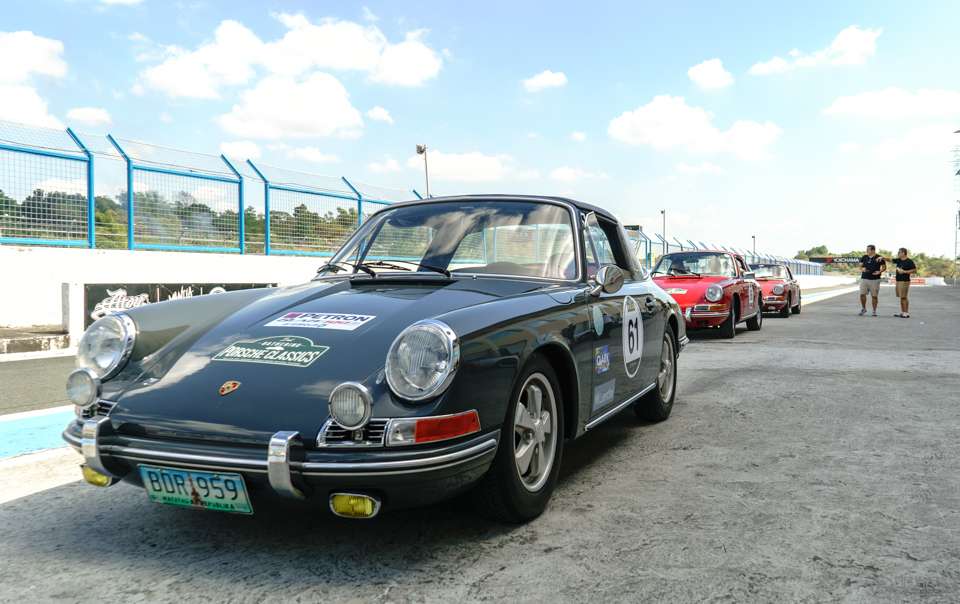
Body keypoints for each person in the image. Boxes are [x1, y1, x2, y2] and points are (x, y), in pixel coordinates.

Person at [858, 245, 886, 316]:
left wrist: (880, 271)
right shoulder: (864, 257)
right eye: (866, 249)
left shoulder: (879, 257)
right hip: (864, 278)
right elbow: (860, 266)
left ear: (873, 250)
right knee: (862, 294)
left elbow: (884, 267)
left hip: (875, 279)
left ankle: (874, 311)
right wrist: (862, 269)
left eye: (868, 249)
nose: (866, 251)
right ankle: (864, 309)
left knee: (874, 296)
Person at [893, 247, 917, 318]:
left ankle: (906, 313)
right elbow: (890, 260)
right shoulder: (899, 260)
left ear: (903, 253)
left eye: (899, 252)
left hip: (904, 281)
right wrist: (882, 258)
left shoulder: (909, 261)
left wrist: (904, 271)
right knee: (901, 297)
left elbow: (914, 270)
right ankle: (903, 312)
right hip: (898, 280)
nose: (898, 253)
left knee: (904, 297)